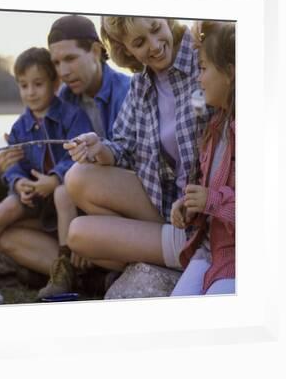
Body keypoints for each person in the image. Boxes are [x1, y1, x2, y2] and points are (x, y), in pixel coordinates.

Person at [0, 15, 131, 298]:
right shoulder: (66, 99)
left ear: (95, 51)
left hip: (114, 204)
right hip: (71, 203)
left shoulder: (126, 92)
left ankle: (84, 262)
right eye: (57, 63)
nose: (64, 71)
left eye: (70, 58)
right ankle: (79, 274)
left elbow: (134, 165)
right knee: (8, 235)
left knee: (65, 191)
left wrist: (85, 220)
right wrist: (14, 164)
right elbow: (47, 154)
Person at [63, 17, 209, 276]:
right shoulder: (142, 82)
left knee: (82, 235)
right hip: (166, 208)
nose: (154, 46)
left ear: (167, 19)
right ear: (126, 49)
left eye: (156, 29)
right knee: (76, 180)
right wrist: (99, 148)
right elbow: (124, 148)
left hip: (206, 210)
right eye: (139, 42)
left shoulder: (202, 53)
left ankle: (187, 250)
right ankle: (164, 250)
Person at [0, 47, 93, 293]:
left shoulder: (73, 117)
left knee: (62, 193)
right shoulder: (20, 126)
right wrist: (18, 182)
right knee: (5, 216)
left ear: (55, 82)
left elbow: (80, 156)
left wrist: (54, 179)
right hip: (37, 204)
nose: (30, 92)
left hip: (68, 206)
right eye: (24, 85)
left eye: (38, 84)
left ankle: (67, 273)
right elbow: (13, 165)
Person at [170, 21, 235, 296]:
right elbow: (207, 190)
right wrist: (189, 205)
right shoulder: (215, 128)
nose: (199, 78)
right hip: (209, 252)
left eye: (204, 68)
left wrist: (211, 200)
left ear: (231, 73)